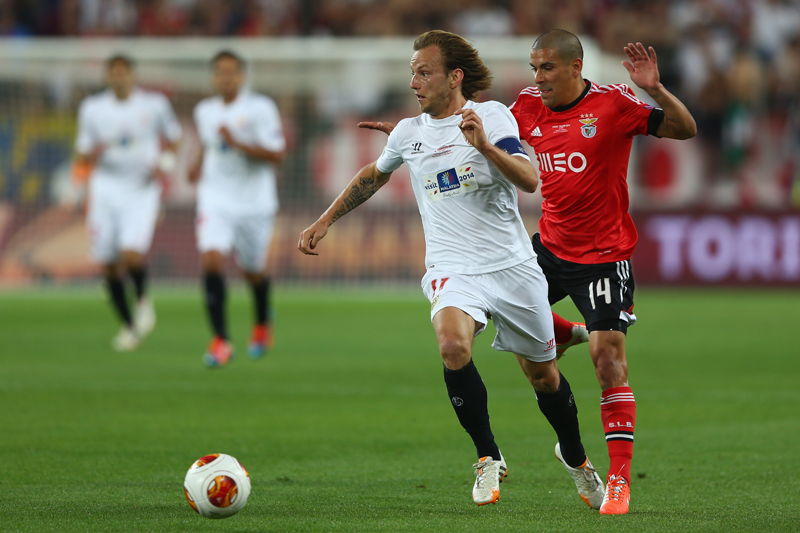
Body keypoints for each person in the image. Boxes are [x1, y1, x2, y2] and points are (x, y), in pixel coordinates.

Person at [299, 30, 604, 509]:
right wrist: (325, 220)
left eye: (425, 72)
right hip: (452, 266)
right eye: (412, 73)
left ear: (455, 76)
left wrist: (483, 146)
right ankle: (488, 456)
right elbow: (373, 175)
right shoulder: (408, 132)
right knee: (452, 345)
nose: (414, 82)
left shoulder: (491, 116)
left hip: (512, 266)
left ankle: (576, 457)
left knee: (544, 378)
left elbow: (529, 180)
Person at [509, 31, 698, 515]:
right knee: (506, 324)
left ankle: (618, 480)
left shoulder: (613, 104)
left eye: (547, 67)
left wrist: (655, 90)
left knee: (607, 359)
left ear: (576, 67)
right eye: (534, 68)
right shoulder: (526, 106)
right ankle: (566, 333)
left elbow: (684, 129)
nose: (538, 77)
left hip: (603, 255)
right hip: (549, 249)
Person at [74, 54, 182, 352]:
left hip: (141, 190)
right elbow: (82, 153)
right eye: (114, 72)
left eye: (124, 72)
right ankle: (129, 326)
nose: (119, 77)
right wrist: (93, 153)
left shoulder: (154, 105)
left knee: (132, 254)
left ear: (133, 75)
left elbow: (174, 138)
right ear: (107, 77)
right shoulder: (92, 108)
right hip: (105, 191)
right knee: (109, 266)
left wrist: (165, 163)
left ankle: (144, 302)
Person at [190, 50, 286, 367]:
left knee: (253, 271)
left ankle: (261, 324)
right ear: (213, 77)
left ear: (242, 76)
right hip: (215, 197)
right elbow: (207, 144)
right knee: (211, 260)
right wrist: (195, 164)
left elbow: (276, 155)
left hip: (254, 202)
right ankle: (221, 340)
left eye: (231, 72)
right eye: (220, 72)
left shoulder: (260, 108)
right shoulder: (204, 111)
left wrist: (238, 142)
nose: (225, 77)